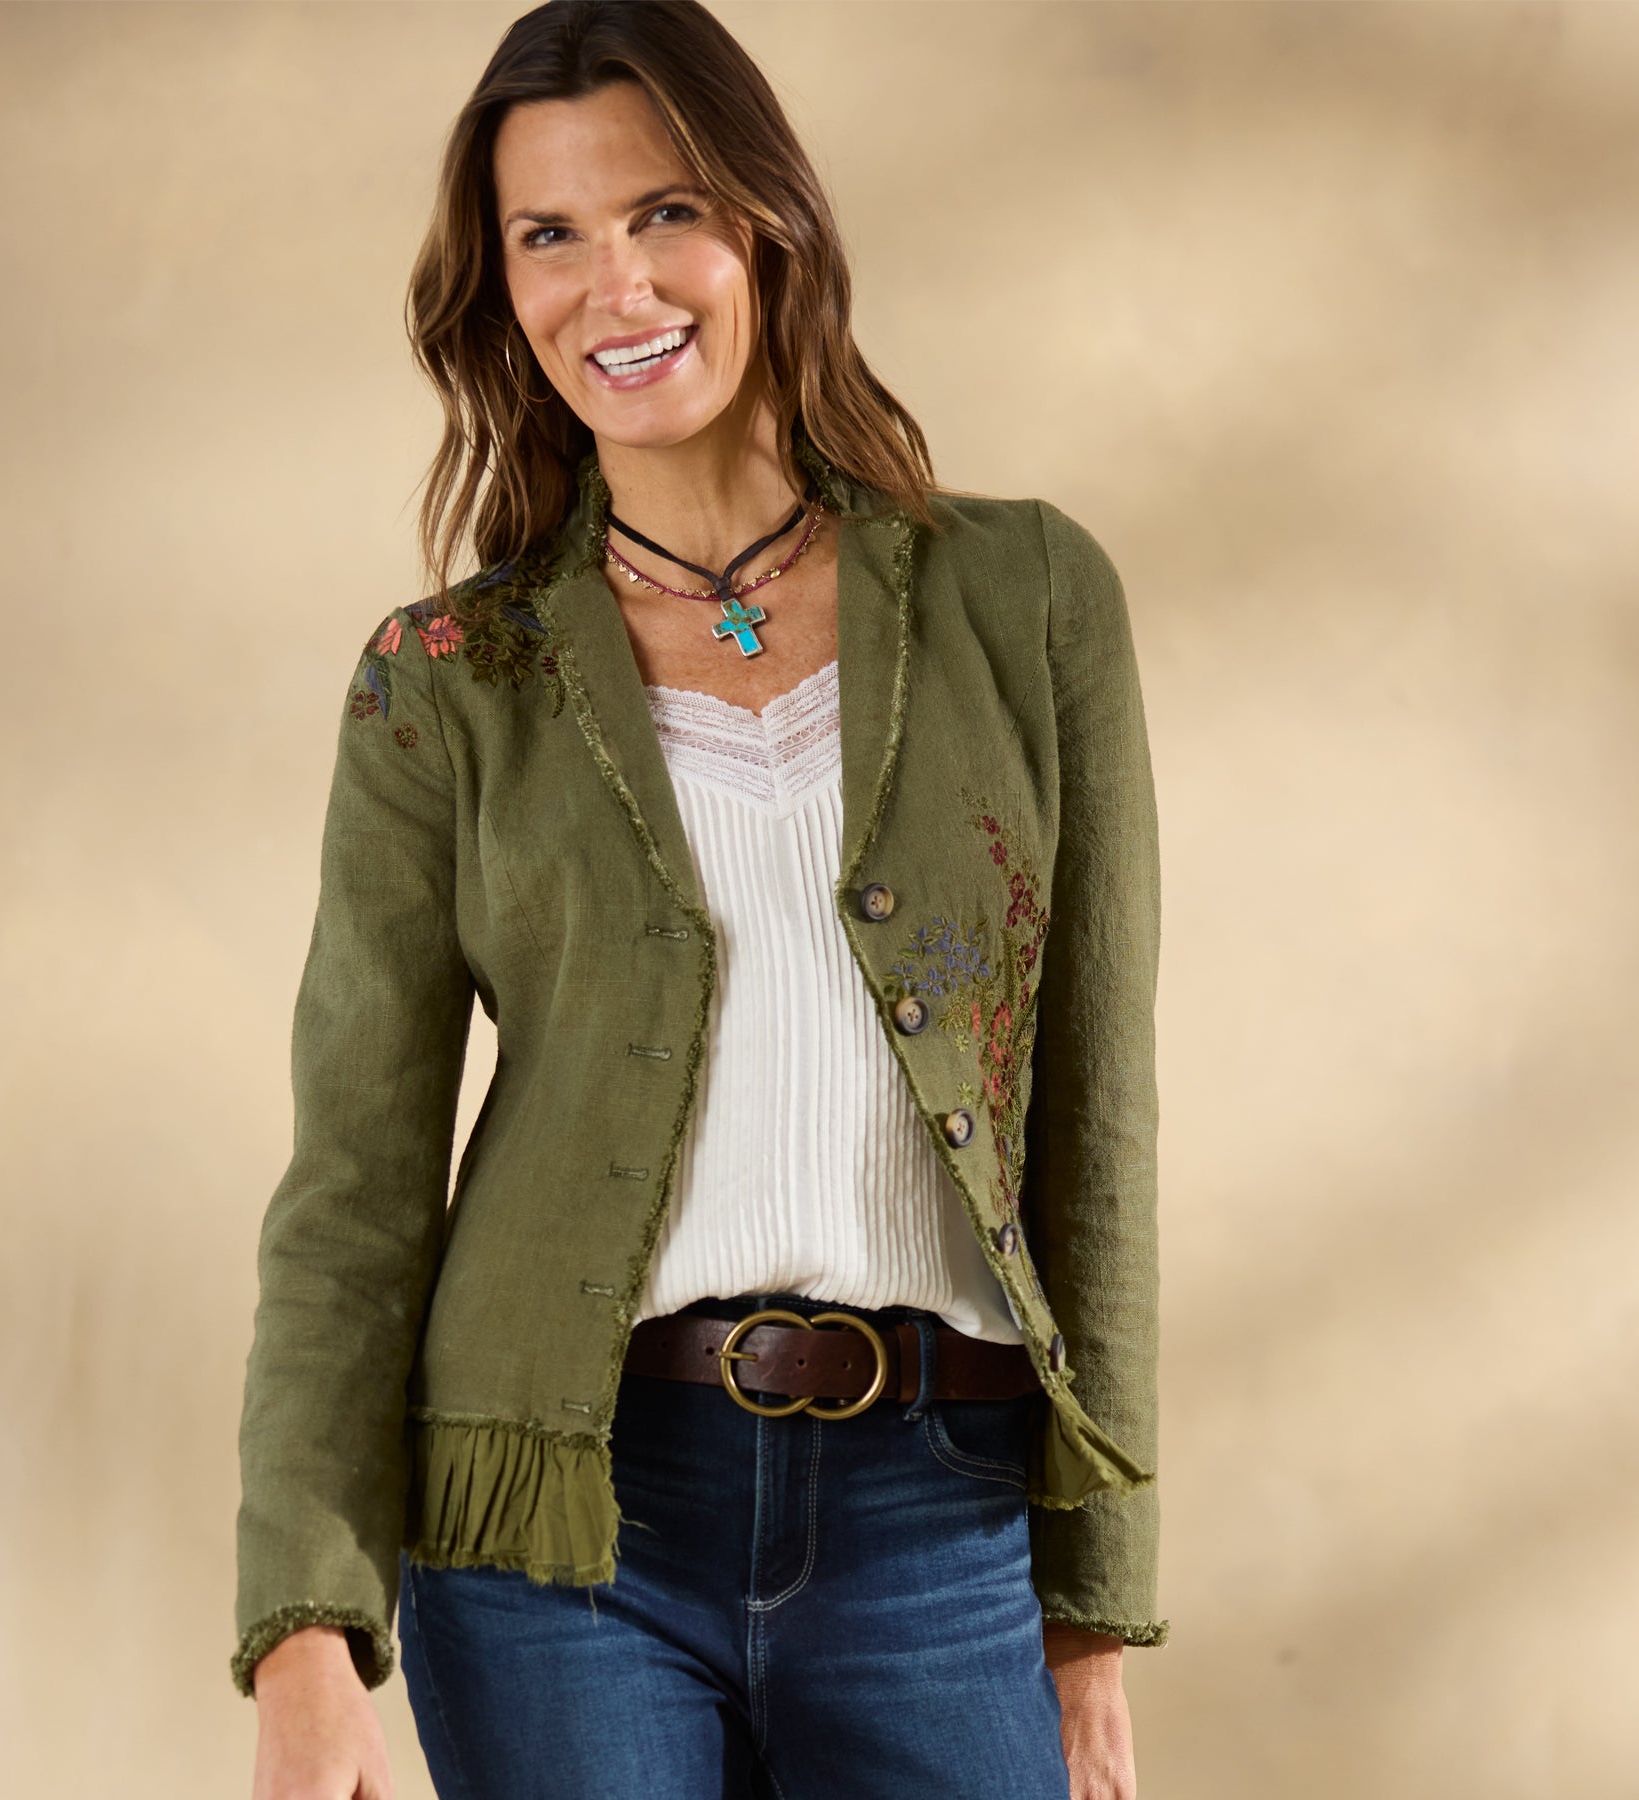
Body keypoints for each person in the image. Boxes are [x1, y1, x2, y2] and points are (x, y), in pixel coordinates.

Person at [234, 3, 1166, 1797]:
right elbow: (352, 1190)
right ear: (501, 289)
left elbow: (1094, 1125)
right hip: (555, 1533)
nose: (618, 284)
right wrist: (305, 1632)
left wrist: (1092, 1616)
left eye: (665, 211)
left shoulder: (1031, 599)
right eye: (550, 234)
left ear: (767, 222)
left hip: (940, 1513)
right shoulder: (447, 682)